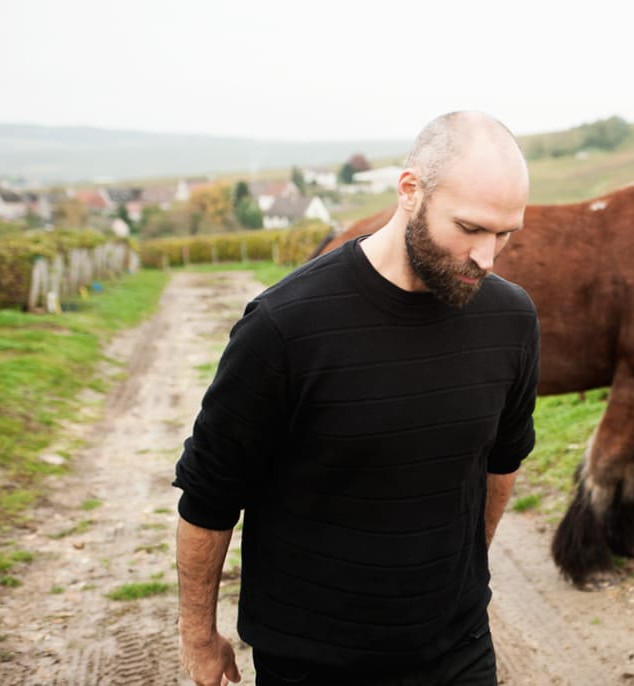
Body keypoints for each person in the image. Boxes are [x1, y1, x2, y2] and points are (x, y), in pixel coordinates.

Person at [174, 111, 539, 686]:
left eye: (505, 234)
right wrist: (198, 636)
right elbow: (209, 497)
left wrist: (461, 574)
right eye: (469, 228)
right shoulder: (284, 326)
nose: (488, 257)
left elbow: (503, 460)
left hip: (458, 651)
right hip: (311, 661)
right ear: (410, 190)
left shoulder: (511, 318)